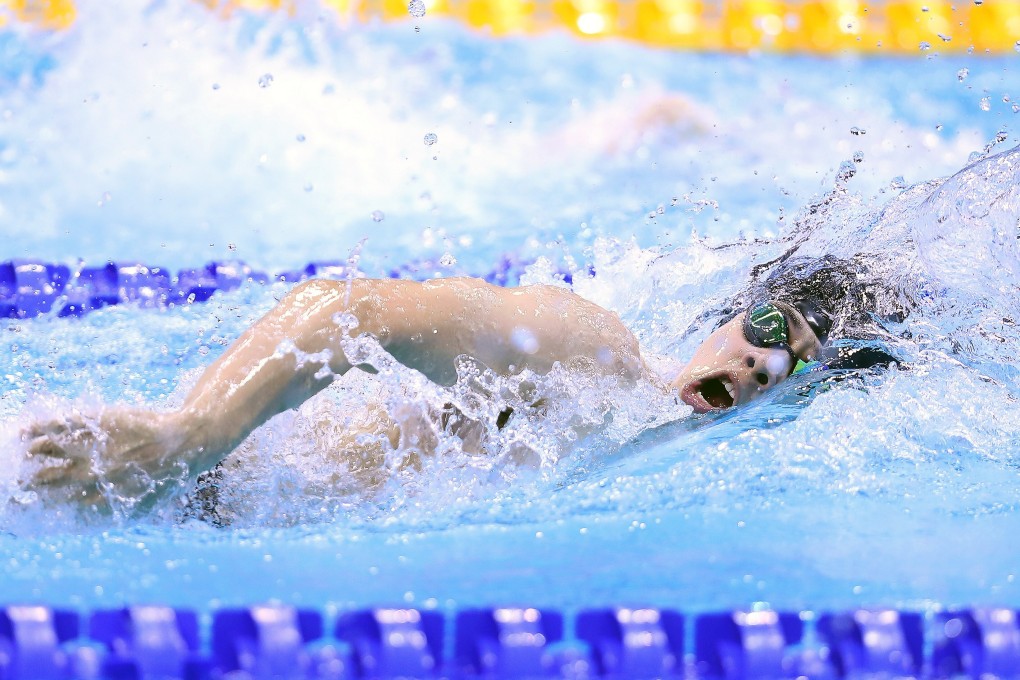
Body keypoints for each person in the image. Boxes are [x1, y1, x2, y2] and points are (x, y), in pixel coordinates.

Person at [21, 256, 882, 511]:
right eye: (767, 332)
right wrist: (190, 433)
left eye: (791, 363)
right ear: (734, 314)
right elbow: (346, 309)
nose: (755, 365)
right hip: (162, 480)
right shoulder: (595, 356)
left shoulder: (682, 473)